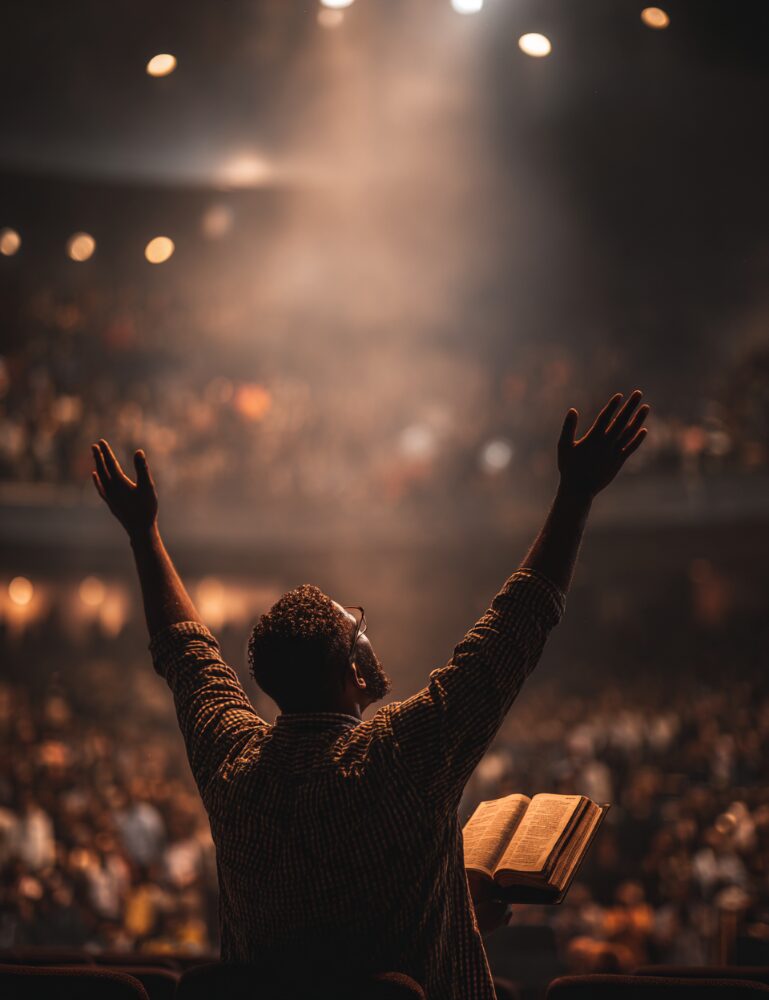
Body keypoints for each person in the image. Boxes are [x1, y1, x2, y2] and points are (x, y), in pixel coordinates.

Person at [91, 390, 650, 999]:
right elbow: (513, 629)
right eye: (356, 626)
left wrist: (143, 535)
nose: (366, 630)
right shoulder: (401, 758)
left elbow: (186, 653)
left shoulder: (232, 767)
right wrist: (574, 497)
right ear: (350, 672)